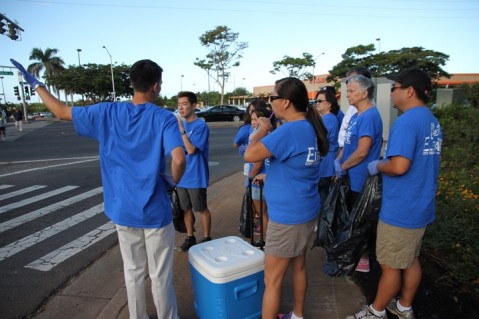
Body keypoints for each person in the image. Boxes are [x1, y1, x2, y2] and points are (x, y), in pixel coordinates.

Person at [10, 58, 186, 319]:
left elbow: (60, 111)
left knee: (133, 271)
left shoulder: (106, 112)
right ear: (156, 86)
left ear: (131, 84)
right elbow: (180, 159)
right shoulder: (164, 118)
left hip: (122, 209)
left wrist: (37, 85)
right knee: (160, 275)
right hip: (155, 212)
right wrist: (173, 181)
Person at [346, 68, 442, 319]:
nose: (390, 93)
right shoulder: (430, 120)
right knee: (409, 259)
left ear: (409, 91)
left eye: (394, 88)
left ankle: (376, 312)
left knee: (389, 265)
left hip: (401, 208)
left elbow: (399, 166)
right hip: (420, 205)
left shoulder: (407, 122)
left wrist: (377, 165)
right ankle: (403, 306)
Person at [245, 77, 329, 319]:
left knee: (271, 279)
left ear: (285, 102)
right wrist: (270, 176)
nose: (270, 103)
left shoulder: (290, 130)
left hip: (287, 218)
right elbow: (297, 167)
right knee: (299, 265)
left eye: (272, 97)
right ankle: (298, 315)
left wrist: (262, 128)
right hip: (304, 210)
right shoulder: (308, 126)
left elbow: (250, 154)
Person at [335, 74, 383, 273]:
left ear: (365, 93)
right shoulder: (356, 115)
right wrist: (338, 160)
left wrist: (343, 166)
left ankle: (362, 259)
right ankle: (353, 254)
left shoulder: (370, 116)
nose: (348, 95)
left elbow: (363, 151)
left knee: (361, 220)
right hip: (351, 175)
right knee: (351, 218)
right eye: (348, 91)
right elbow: (347, 143)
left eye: (352, 91)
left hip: (361, 178)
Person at [176, 91, 212, 251]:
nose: (181, 107)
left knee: (201, 208)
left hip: (196, 176)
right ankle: (190, 236)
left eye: (184, 104)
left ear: (194, 106)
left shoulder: (200, 126)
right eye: (179, 104)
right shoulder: (180, 127)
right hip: (182, 176)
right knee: (186, 209)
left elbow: (191, 150)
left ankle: (206, 237)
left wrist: (182, 129)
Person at [314, 88, 340, 207]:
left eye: (320, 101)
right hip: (325, 163)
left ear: (329, 104)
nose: (317, 103)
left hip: (326, 164)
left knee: (323, 198)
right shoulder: (326, 118)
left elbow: (320, 139)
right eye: (316, 101)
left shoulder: (329, 118)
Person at [338, 67, 373, 148]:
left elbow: (362, 151)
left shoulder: (368, 114)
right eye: (348, 80)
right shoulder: (354, 108)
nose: (347, 95)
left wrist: (347, 161)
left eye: (354, 79)